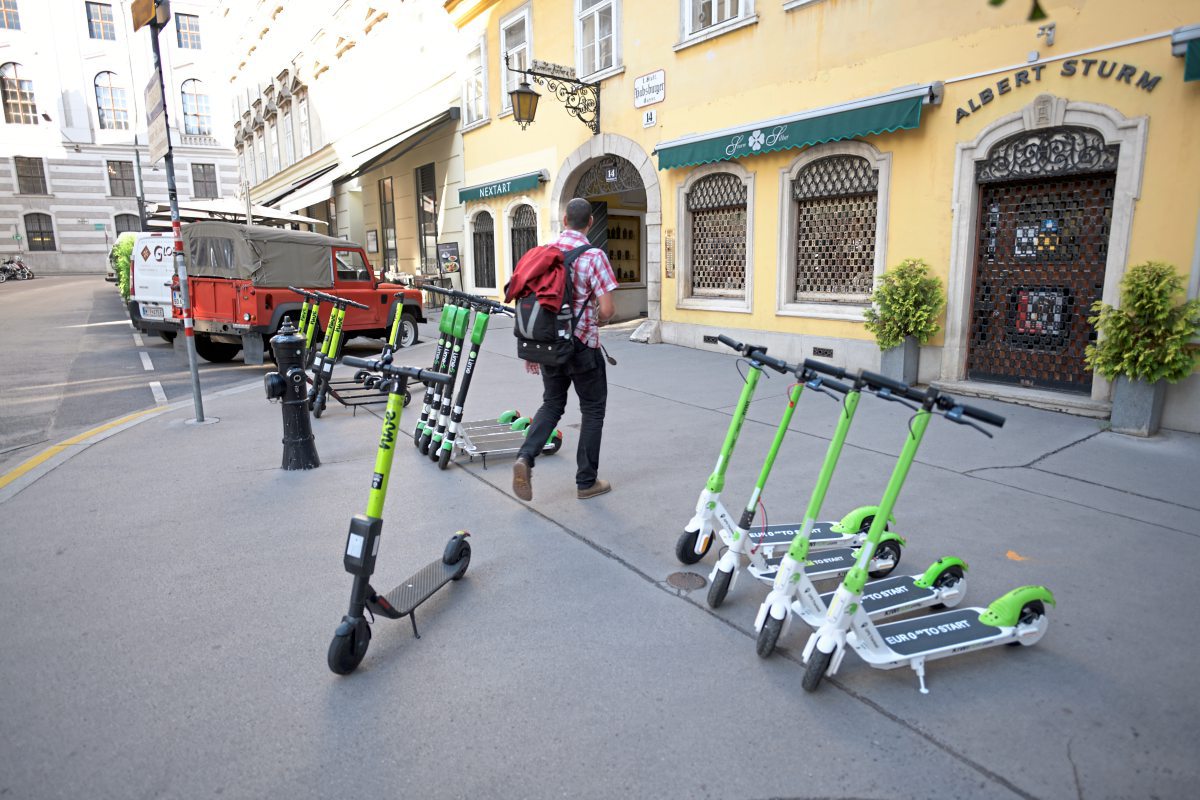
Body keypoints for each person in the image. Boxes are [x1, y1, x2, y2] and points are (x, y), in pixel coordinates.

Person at [512, 197, 617, 502]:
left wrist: (533, 351)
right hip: (583, 347)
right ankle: (586, 482)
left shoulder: (545, 253)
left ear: (563, 219)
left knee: (552, 405)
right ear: (590, 222)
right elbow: (608, 309)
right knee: (593, 410)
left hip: (550, 346)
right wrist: (593, 314)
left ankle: (525, 457)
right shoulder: (594, 255)